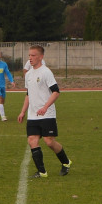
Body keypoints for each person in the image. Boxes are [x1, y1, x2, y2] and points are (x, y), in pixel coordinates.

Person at [18, 45, 72, 178]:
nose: (30, 58)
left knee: (49, 141)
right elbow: (28, 94)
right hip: (33, 115)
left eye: (33, 55)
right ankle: (42, 172)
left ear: (41, 57)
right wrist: (23, 112)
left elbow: (56, 92)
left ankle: (66, 162)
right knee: (32, 141)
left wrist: (45, 107)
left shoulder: (46, 72)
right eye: (29, 55)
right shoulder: (28, 74)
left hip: (47, 114)